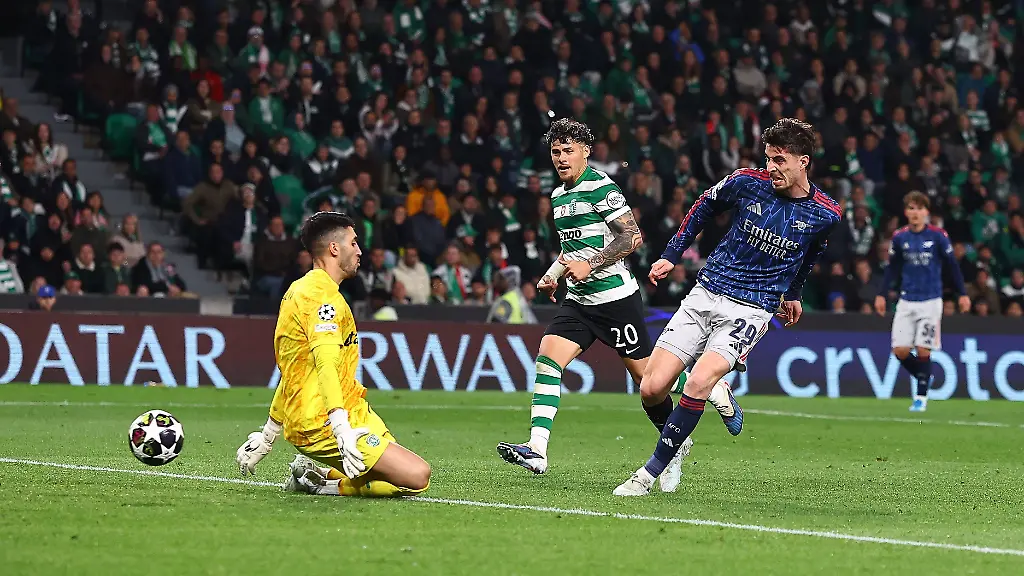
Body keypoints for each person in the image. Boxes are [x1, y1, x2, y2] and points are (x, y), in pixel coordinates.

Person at [495, 118, 736, 493]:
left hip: (615, 301)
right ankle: (537, 449)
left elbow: (632, 236)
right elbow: (571, 249)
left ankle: (702, 402)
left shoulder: (600, 187)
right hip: (579, 302)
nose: (561, 158)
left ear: (586, 152)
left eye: (568, 150)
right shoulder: (559, 196)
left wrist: (589, 264)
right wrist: (552, 273)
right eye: (556, 152)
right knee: (547, 357)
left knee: (650, 383)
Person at [613, 118, 843, 496]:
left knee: (699, 380)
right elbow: (704, 206)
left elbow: (810, 253)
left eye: (781, 160)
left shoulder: (826, 214)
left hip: (753, 307)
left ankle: (648, 473)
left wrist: (795, 292)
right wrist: (672, 254)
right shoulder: (745, 182)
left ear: (804, 161)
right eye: (768, 158)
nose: (772, 168)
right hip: (707, 291)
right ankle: (678, 442)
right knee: (651, 388)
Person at [235, 211, 431, 497]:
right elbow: (324, 363)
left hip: (353, 410)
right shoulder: (320, 297)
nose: (360, 250)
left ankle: (316, 474)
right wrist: (340, 428)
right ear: (334, 248)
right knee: (416, 477)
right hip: (322, 420)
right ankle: (325, 485)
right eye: (353, 243)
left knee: (393, 474)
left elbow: (296, 369)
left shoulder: (303, 290)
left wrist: (268, 436)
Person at [874, 192, 970, 412]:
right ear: (906, 212)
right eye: (910, 208)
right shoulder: (900, 237)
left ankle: (920, 397)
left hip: (930, 301)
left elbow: (952, 267)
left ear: (926, 211)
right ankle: (924, 376)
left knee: (923, 349)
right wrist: (881, 294)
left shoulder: (938, 236)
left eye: (918, 208)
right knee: (899, 350)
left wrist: (962, 293)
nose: (914, 213)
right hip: (906, 300)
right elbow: (892, 269)